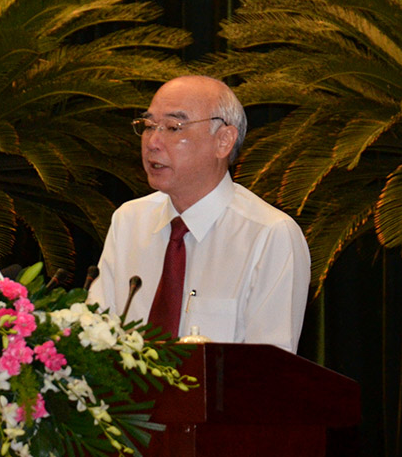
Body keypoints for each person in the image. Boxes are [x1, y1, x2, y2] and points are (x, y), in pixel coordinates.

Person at [88, 76, 310, 353]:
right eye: (148, 126)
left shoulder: (270, 235)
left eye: (173, 127)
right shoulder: (129, 220)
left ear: (223, 141)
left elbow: (269, 368)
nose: (153, 142)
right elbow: (93, 336)